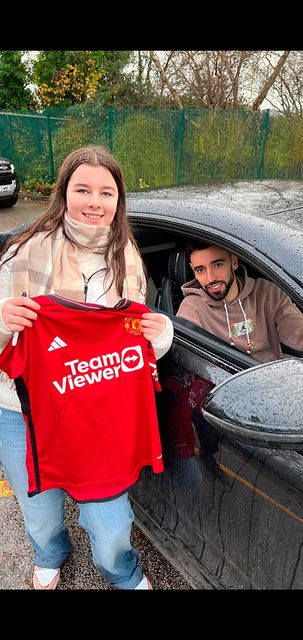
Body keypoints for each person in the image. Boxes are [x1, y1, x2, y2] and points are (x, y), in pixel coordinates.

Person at [0, 145, 173, 590]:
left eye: (106, 192)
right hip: (23, 408)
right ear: (64, 193)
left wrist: (160, 333)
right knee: (38, 505)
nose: (94, 202)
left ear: (118, 200)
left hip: (97, 411)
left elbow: (137, 337)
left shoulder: (128, 256)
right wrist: (3, 323)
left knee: (111, 516)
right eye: (83, 190)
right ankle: (50, 551)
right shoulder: (22, 251)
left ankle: (122, 571)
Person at [177, 241, 303, 361]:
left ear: (234, 262)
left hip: (276, 382)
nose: (210, 278)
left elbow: (299, 331)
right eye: (200, 270)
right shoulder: (192, 309)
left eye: (218, 265)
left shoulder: (267, 293)